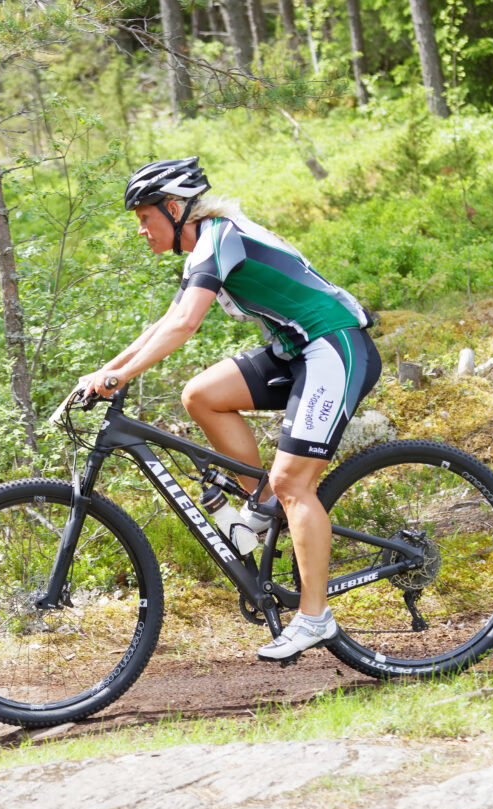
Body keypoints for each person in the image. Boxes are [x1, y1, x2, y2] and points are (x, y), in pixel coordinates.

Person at [80, 157, 381, 662]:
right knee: (201, 395)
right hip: (298, 351)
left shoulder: (221, 238)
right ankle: (262, 504)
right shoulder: (204, 246)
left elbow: (185, 326)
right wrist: (102, 372)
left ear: (174, 209)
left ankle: (315, 617)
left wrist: (120, 378)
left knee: (295, 485)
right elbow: (166, 322)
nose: (141, 229)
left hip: (334, 348)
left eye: (145, 217)